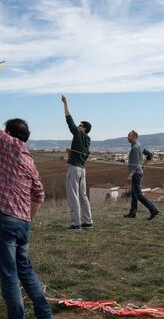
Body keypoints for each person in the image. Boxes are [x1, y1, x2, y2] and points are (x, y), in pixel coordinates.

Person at [0, 103, 52, 319]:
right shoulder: (30, 161)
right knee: (24, 270)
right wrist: (27, 219)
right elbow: (39, 195)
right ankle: (45, 314)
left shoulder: (10, 146)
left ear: (9, 134)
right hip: (23, 224)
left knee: (9, 275)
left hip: (6, 222)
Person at [60, 94, 94, 230]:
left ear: (84, 128)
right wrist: (71, 152)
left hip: (74, 169)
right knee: (83, 195)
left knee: (73, 195)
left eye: (80, 125)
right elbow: (83, 155)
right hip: (82, 170)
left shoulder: (79, 134)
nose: (78, 126)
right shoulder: (88, 140)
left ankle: (76, 224)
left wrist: (65, 103)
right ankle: (88, 221)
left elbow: (69, 120)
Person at [124, 130, 159, 220]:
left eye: (129, 136)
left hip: (136, 173)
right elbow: (150, 155)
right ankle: (132, 212)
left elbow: (135, 164)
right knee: (134, 193)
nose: (127, 137)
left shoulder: (135, 147)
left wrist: (130, 175)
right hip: (139, 172)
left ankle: (153, 209)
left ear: (135, 137)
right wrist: (143, 165)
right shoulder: (140, 145)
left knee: (138, 194)